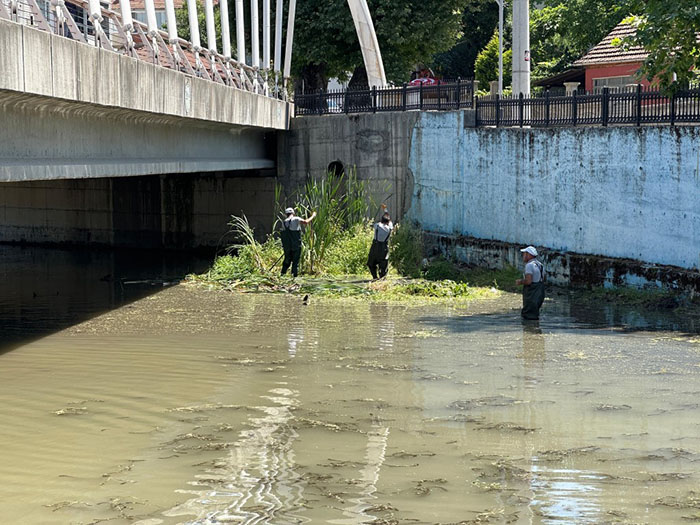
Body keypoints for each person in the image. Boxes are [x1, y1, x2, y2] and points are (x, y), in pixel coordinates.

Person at [280, 207, 316, 277]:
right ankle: (294, 277)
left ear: (286, 214)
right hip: (296, 245)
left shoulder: (284, 222)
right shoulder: (296, 219)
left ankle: (282, 274)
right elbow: (306, 222)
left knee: (287, 260)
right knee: (295, 262)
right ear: (293, 213)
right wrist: (313, 216)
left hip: (287, 246)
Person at [515, 245, 545, 320]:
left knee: (528, 314)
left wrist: (520, 282)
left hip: (532, 292)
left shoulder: (529, 265)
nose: (523, 256)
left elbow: (528, 281)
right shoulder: (540, 265)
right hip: (540, 291)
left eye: (524, 254)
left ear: (529, 255)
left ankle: (528, 327)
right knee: (535, 312)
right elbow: (543, 278)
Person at [367, 204, 393, 280]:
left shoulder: (377, 225)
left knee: (371, 263)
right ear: (388, 222)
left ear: (381, 220)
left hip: (375, 246)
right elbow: (389, 220)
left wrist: (384, 210)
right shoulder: (390, 227)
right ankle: (382, 278)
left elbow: (376, 224)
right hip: (384, 247)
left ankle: (375, 277)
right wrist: (386, 210)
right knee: (383, 263)